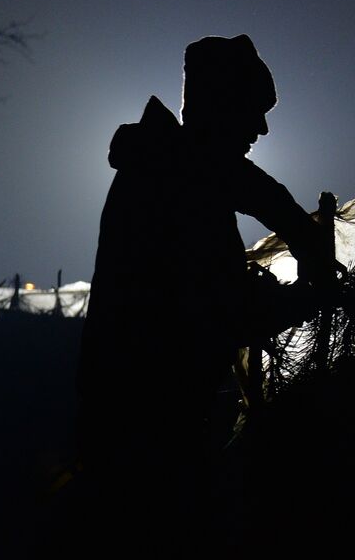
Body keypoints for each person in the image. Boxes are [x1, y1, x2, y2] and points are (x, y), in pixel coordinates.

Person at [77, 34, 328, 484]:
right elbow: (214, 311)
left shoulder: (175, 164)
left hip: (136, 417)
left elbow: (257, 191)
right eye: (255, 111)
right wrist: (298, 301)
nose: (263, 130)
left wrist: (307, 241)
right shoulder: (172, 184)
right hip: (147, 432)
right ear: (223, 109)